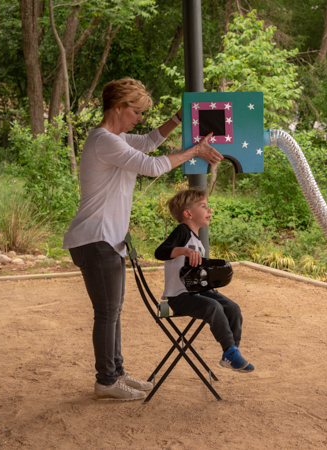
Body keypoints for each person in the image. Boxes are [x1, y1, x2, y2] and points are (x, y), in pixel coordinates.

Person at [64, 77, 224, 401]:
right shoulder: (104, 140)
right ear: (118, 108)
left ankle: (116, 374)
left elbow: (150, 142)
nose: (139, 119)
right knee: (107, 313)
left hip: (106, 240)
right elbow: (151, 166)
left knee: (113, 311)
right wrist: (195, 150)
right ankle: (106, 381)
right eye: (136, 112)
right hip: (96, 239)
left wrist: (178, 118)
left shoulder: (116, 139)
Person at [154, 189, 254, 372]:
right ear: (188, 214)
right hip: (178, 297)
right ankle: (230, 352)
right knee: (213, 307)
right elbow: (160, 252)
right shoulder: (183, 231)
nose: (210, 210)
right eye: (203, 206)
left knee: (233, 308)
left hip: (197, 293)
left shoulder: (197, 239)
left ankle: (231, 352)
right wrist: (185, 251)